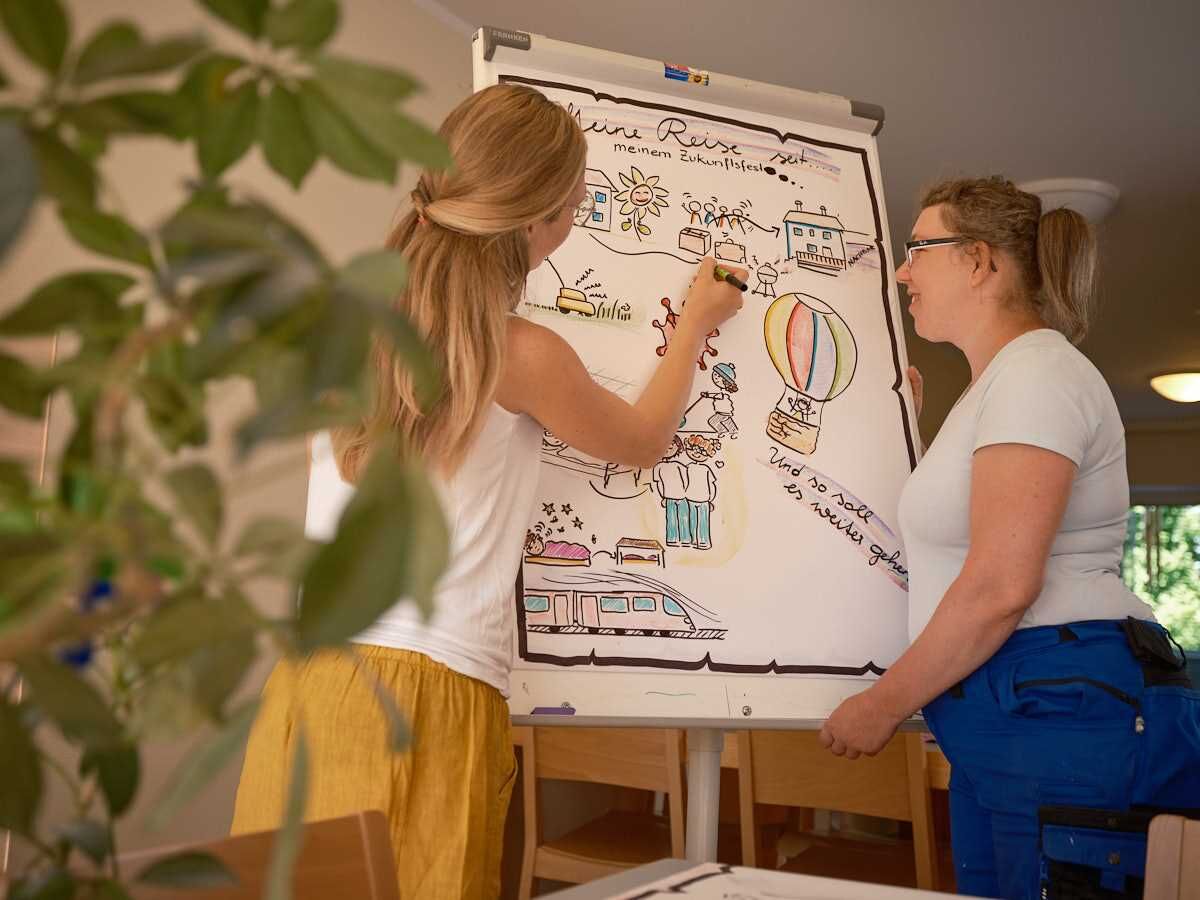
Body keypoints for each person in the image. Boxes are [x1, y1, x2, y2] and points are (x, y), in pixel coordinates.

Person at [230, 83, 746, 898]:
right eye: (577, 202)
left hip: (311, 684)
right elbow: (647, 443)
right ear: (539, 218)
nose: (578, 217)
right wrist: (694, 324)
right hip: (422, 701)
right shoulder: (523, 354)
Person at [819, 176, 1200, 899]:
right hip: (1017, 712)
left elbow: (1001, 583)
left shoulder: (1038, 373)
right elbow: (962, 539)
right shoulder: (999, 385)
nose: (903, 272)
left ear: (979, 262)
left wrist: (883, 702)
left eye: (918, 249)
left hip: (1058, 713)